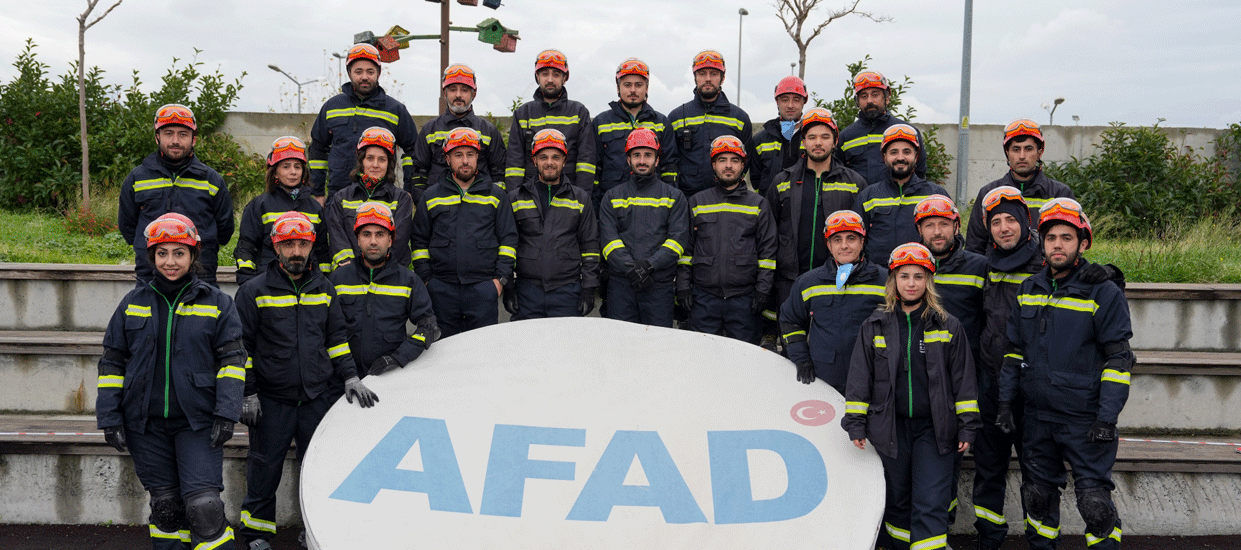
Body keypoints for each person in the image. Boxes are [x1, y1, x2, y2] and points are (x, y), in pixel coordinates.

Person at [96, 213, 246, 549]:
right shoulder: (132, 304)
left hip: (197, 423)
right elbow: (112, 363)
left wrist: (227, 413)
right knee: (166, 509)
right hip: (145, 425)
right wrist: (109, 417)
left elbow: (233, 362)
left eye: (179, 253)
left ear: (194, 255)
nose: (170, 261)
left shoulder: (218, 303)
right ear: (152, 256)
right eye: (162, 253)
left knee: (204, 508)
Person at [234, 212, 378, 550]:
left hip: (316, 398)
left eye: (302, 244)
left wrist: (350, 376)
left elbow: (336, 340)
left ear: (312, 245)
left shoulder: (324, 288)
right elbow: (241, 348)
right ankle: (256, 534)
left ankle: (313, 529)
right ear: (276, 247)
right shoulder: (254, 291)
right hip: (271, 400)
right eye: (288, 245)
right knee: (264, 470)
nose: (296, 252)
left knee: (317, 470)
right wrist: (248, 393)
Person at [997, 198, 1132, 550]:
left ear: (1083, 244)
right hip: (1037, 418)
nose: (1058, 245)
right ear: (1042, 244)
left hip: (1084, 420)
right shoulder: (1028, 289)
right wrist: (1006, 403)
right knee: (1037, 499)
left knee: (1095, 504)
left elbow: (1119, 360)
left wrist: (1107, 418)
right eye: (1051, 238)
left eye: (1067, 238)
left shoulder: (1104, 292)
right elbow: (1014, 352)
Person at [842, 242, 980, 550]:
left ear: (928, 281)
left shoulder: (948, 326)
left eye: (919, 276)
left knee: (931, 502)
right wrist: (856, 422)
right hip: (890, 429)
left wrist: (967, 426)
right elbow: (860, 379)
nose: (911, 283)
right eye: (904, 276)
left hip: (935, 430)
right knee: (898, 503)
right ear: (893, 280)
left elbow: (964, 382)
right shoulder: (874, 325)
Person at [972, 185, 1045, 550]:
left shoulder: (1047, 263)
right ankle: (989, 540)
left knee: (1037, 472)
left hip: (1033, 387)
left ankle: (1041, 542)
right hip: (991, 382)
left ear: (1025, 222)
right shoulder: (983, 265)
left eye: (1010, 220)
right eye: (996, 221)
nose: (1003, 228)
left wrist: (1106, 274)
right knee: (988, 469)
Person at [914, 194, 987, 525]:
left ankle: (943, 527)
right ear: (919, 231)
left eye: (943, 224)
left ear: (957, 226)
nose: (937, 232)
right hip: (916, 377)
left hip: (959, 379)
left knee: (950, 460)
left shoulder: (978, 267)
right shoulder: (907, 266)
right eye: (929, 225)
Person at [766, 108, 868, 329]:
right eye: (811, 137)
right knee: (791, 338)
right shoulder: (782, 181)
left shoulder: (854, 183)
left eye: (825, 137)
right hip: (789, 278)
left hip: (836, 278)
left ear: (835, 141)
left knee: (828, 339)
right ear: (803, 142)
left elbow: (862, 233)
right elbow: (769, 231)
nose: (818, 143)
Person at [412, 128, 517, 337]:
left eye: (470, 154)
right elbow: (419, 240)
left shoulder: (496, 195)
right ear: (447, 159)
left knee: (483, 348)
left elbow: (509, 239)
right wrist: (427, 280)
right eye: (458, 155)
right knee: (443, 348)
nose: (465, 161)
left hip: (483, 289)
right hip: (442, 290)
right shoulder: (431, 196)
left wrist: (499, 281)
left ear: (478, 157)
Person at [119, 104, 234, 286]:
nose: (175, 140)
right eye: (168, 133)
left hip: (201, 275)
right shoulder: (137, 178)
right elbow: (127, 226)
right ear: (157, 137)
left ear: (193, 139)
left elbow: (225, 230)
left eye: (183, 134)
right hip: (150, 275)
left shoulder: (212, 180)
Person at [678, 135, 777, 344]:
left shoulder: (758, 204)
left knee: (743, 359)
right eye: (722, 160)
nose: (728, 166)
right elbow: (686, 250)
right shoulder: (697, 202)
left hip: (744, 300)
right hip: (703, 299)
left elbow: (768, 254)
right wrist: (683, 286)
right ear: (713, 165)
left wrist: (762, 291)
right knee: (702, 356)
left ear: (743, 165)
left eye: (734, 160)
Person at [779, 210, 886, 394]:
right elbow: (790, 321)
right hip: (824, 377)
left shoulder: (885, 280)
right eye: (837, 239)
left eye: (851, 238)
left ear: (862, 241)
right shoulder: (808, 283)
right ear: (828, 245)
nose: (844, 246)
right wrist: (801, 359)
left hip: (872, 374)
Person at [331, 202, 439, 377]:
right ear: (357, 239)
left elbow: (428, 328)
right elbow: (326, 330)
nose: (373, 241)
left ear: (390, 240)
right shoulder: (338, 279)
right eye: (366, 234)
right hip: (345, 376)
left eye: (380, 234)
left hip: (391, 375)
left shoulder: (408, 281)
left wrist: (397, 359)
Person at [598, 128, 690, 327]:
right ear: (628, 159)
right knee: (621, 342)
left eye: (648, 155)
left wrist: (650, 265)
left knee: (657, 344)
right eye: (636, 155)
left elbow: (677, 240)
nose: (642, 160)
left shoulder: (674, 197)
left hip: (659, 287)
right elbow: (608, 240)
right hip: (621, 287)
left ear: (657, 160)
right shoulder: (612, 197)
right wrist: (632, 269)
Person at [505, 129, 600, 320]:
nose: (549, 162)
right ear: (534, 160)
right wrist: (508, 286)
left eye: (556, 157)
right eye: (543, 157)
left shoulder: (580, 199)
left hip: (567, 292)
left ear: (564, 161)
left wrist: (588, 287)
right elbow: (507, 245)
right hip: (526, 292)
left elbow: (590, 245)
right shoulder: (516, 198)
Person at [309, 43, 418, 201]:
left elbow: (413, 151)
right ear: (349, 73)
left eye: (370, 71)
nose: (364, 77)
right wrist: (318, 193)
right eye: (358, 71)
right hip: (338, 196)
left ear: (379, 73)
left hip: (382, 197)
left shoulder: (395, 110)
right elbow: (318, 150)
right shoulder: (332, 107)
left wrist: (408, 190)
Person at [965, 118, 1075, 254]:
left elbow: (1071, 246)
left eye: (1028, 149)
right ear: (1007, 153)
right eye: (1016, 149)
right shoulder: (988, 194)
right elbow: (974, 248)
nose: (1022, 156)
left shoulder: (1060, 194)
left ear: (1039, 152)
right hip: (997, 268)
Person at [234, 136, 330, 284]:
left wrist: (323, 282)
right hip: (268, 282)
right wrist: (248, 283)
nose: (293, 172)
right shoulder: (260, 205)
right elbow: (246, 247)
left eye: (297, 167)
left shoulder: (315, 208)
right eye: (286, 167)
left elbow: (322, 251)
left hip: (307, 283)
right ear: (275, 172)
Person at [409, 64, 506, 201]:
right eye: (453, 89)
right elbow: (419, 173)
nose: (458, 95)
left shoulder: (488, 131)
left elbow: (499, 173)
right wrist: (424, 205)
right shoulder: (429, 130)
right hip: (439, 207)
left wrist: (495, 205)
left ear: (474, 93)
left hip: (480, 207)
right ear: (445, 93)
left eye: (464, 90)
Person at [324, 127, 415, 270]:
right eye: (370, 158)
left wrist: (378, 268)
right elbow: (337, 238)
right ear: (361, 161)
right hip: (351, 273)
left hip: (389, 274)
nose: (375, 165)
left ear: (389, 164)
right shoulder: (341, 198)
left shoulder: (401, 199)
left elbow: (399, 242)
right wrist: (353, 269)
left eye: (382, 159)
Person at [854, 124, 948, 263]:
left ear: (916, 156)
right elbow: (855, 239)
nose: (900, 157)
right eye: (893, 152)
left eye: (907, 152)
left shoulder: (935, 195)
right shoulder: (868, 196)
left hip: (923, 273)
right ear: (884, 157)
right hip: (878, 274)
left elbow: (952, 239)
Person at [592, 58, 678, 207]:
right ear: (618, 88)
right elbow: (595, 168)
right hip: (612, 204)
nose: (633, 90)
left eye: (638, 85)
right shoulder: (601, 122)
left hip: (653, 204)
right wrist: (595, 205)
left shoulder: (661, 123)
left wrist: (670, 203)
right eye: (627, 85)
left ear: (647, 88)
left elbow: (670, 167)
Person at [505, 49, 596, 191]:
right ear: (537, 77)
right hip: (530, 193)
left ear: (565, 78)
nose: (550, 80)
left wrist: (581, 197)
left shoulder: (578, 112)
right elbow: (514, 163)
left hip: (569, 192)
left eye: (556, 74)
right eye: (545, 74)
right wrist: (515, 198)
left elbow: (586, 162)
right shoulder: (523, 113)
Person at [668, 50, 753, 197]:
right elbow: (669, 161)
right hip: (687, 199)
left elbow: (746, 160)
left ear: (722, 78)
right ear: (695, 77)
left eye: (713, 74)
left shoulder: (740, 118)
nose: (708, 79)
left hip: (727, 198)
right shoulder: (677, 117)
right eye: (702, 74)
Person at [837, 71, 927, 184]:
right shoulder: (846, 136)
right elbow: (839, 175)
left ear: (887, 98)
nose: (869, 100)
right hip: (858, 195)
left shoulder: (907, 131)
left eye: (875, 95)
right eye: (864, 96)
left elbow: (919, 172)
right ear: (857, 102)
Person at [748, 76, 808, 195]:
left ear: (804, 102)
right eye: (785, 100)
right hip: (770, 204)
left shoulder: (812, 137)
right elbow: (755, 179)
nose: (790, 105)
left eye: (796, 100)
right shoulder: (761, 139)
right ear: (777, 102)